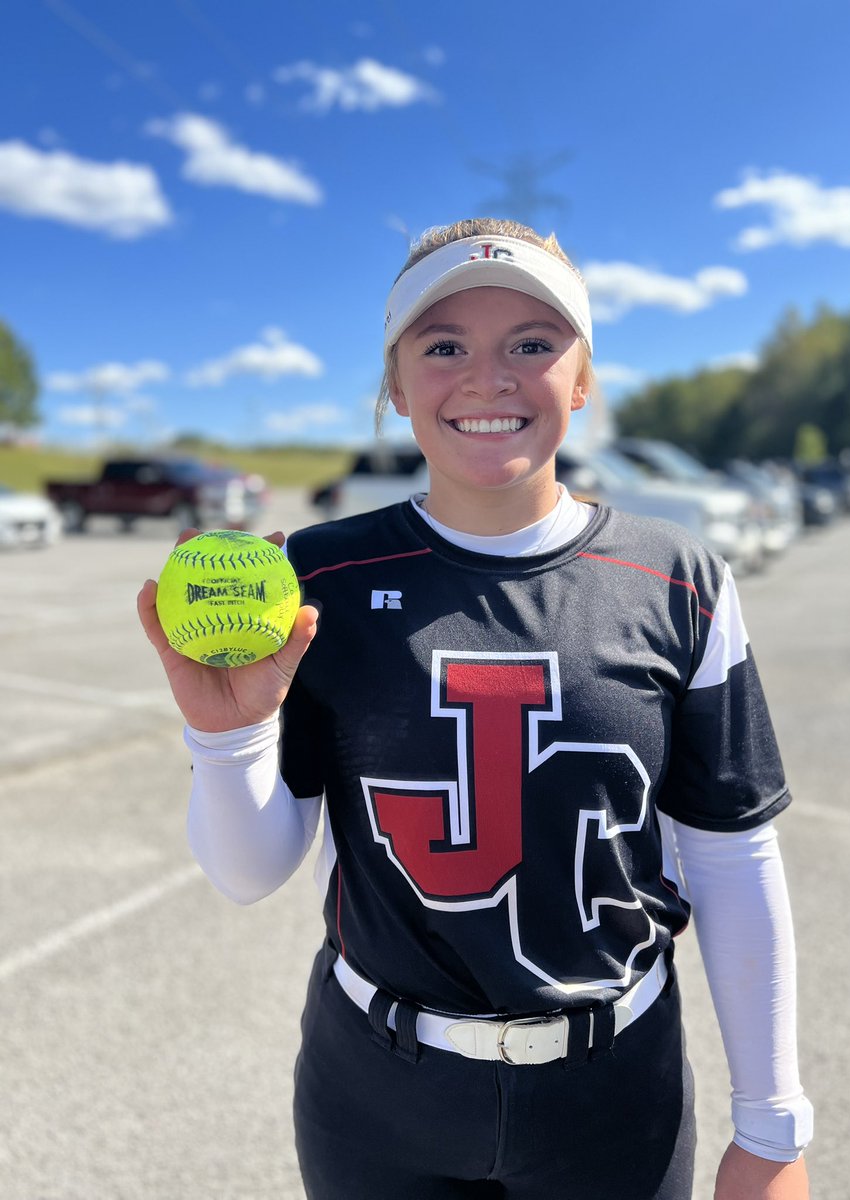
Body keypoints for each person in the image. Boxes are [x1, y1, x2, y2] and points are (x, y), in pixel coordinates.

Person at [138, 217, 814, 1199]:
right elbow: (249, 873)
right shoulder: (314, 576)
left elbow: (732, 853)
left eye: (533, 345)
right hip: (377, 1090)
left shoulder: (680, 578)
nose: (489, 378)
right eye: (443, 345)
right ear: (396, 386)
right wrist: (226, 731)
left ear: (584, 382)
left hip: (615, 1089)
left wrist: (773, 1127)